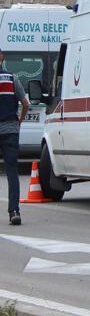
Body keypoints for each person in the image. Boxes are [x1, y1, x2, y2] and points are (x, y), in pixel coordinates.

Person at [0, 49, 29, 225]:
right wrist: (20, 121)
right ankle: (14, 211)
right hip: (10, 130)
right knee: (12, 172)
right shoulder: (12, 78)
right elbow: (25, 103)